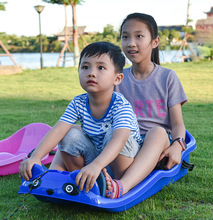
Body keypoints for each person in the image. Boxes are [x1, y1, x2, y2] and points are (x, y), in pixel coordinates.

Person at [19, 41, 144, 194]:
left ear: (117, 79)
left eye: (101, 67)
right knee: (68, 134)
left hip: (120, 162)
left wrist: (97, 165)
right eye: (85, 67)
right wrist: (36, 157)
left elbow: (120, 140)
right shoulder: (78, 102)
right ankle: (83, 180)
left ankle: (115, 182)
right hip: (93, 164)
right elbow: (58, 130)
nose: (91, 72)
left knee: (114, 133)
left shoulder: (121, 106)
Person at [102, 13, 188, 199]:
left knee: (157, 132)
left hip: (156, 149)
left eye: (139, 36)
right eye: (125, 37)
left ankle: (122, 187)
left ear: (154, 41)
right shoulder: (117, 79)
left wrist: (178, 145)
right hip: (126, 145)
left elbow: (177, 124)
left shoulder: (167, 77)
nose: (131, 43)